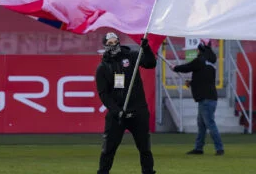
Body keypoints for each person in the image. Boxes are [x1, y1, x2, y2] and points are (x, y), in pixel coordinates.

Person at [95, 32, 157, 174]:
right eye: (109, 43)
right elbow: (103, 94)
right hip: (118, 114)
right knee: (108, 149)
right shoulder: (103, 68)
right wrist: (116, 110)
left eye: (115, 41)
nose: (113, 45)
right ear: (105, 46)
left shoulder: (131, 56)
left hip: (138, 111)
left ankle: (148, 171)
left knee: (145, 148)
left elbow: (150, 64)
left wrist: (146, 48)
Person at [172, 40, 224, 156]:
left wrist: (175, 68)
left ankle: (219, 148)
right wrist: (192, 82)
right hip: (209, 97)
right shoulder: (210, 62)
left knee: (209, 123)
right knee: (202, 125)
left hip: (205, 98)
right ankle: (199, 148)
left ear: (200, 50)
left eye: (197, 50)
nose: (196, 52)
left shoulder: (200, 60)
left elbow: (188, 67)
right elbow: (204, 79)